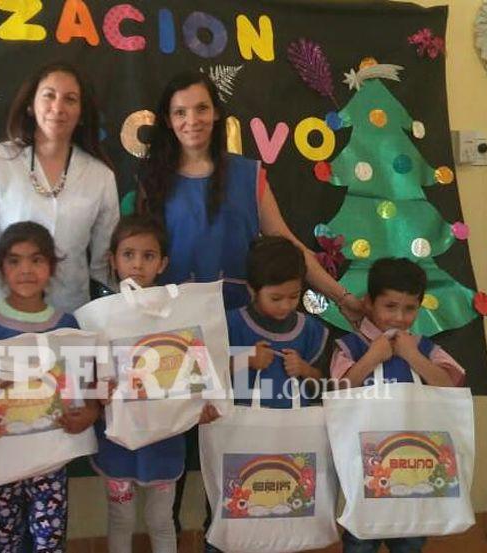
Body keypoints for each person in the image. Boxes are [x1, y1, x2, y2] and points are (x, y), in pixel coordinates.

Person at [139, 70, 362, 542]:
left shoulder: (247, 173)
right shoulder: (153, 180)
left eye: (201, 108)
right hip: (179, 332)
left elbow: (288, 244)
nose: (192, 120)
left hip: (244, 328)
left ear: (216, 113)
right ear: (167, 119)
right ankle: (175, 537)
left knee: (238, 442)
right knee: (179, 446)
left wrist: (342, 297)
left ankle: (233, 539)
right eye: (180, 111)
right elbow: (140, 257)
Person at [0, 62, 119, 315]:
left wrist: (125, 308)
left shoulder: (100, 176)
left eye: (70, 99)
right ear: (30, 105)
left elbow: (104, 262)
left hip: (66, 314)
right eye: (49, 96)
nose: (57, 108)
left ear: (81, 113)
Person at [0, 221, 100, 553]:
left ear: (51, 266)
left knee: (49, 538)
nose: (26, 270)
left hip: (52, 456)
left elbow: (89, 381)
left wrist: (91, 411)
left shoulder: (68, 325)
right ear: (0, 267)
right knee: (4, 536)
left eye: (36, 259)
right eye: (15, 260)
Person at [90, 215, 218, 553]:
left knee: (161, 520)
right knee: (122, 518)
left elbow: (197, 371)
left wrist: (201, 406)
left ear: (163, 263)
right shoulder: (98, 315)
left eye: (148, 256)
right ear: (113, 260)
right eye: (128, 254)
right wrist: (97, 391)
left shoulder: (181, 313)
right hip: (118, 442)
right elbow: (88, 375)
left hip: (165, 440)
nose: (137, 264)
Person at [330, 257, 465, 553]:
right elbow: (338, 392)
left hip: (414, 465)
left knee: (410, 539)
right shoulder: (351, 347)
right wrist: (371, 358)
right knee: (360, 540)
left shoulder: (426, 348)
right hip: (364, 467)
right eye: (390, 306)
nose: (400, 318)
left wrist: (413, 356)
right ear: (368, 303)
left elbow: (451, 388)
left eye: (409, 308)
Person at [227, 236, 328, 409]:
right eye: (276, 298)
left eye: (294, 296)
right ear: (252, 289)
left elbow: (327, 387)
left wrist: (305, 369)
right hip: (242, 430)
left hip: (296, 428)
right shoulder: (231, 324)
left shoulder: (311, 330)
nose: (285, 306)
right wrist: (244, 360)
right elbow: (200, 379)